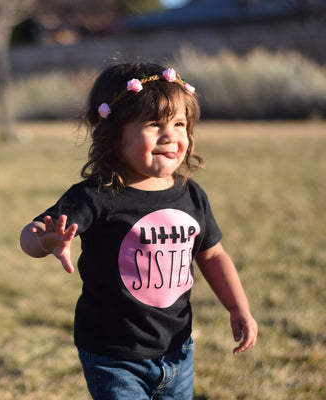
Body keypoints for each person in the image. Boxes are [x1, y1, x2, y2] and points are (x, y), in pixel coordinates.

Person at [20, 62, 258, 399]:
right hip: (113, 356)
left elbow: (213, 253)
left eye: (180, 124)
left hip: (178, 351)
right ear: (113, 135)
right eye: (153, 124)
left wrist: (238, 307)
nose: (171, 135)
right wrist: (45, 240)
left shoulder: (191, 195)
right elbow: (28, 236)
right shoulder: (95, 196)